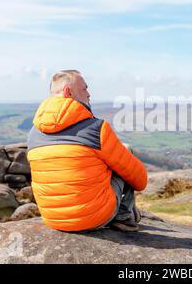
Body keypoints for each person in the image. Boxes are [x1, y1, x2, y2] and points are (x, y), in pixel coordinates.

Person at [27, 70, 148, 232]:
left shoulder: (33, 133)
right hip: (94, 218)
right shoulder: (95, 128)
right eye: (84, 89)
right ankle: (123, 217)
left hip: (53, 220)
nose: (89, 94)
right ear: (68, 92)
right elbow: (140, 179)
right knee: (125, 152)